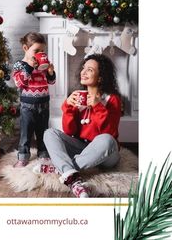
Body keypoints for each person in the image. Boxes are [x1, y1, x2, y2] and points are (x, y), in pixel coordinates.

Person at [39, 54, 121, 198]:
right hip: (82, 147)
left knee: (106, 139)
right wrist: (68, 107)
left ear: (100, 77)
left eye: (89, 70)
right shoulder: (78, 97)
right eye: (83, 68)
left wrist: (97, 106)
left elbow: (108, 132)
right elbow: (70, 131)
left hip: (107, 152)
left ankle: (60, 169)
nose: (83, 72)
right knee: (49, 133)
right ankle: (70, 175)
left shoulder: (111, 99)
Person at [12, 32, 56, 167]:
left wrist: (50, 73)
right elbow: (19, 83)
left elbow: (52, 82)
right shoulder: (20, 65)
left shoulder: (42, 65)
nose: (40, 53)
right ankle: (23, 156)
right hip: (28, 105)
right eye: (36, 51)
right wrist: (30, 67)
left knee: (43, 131)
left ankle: (43, 154)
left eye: (42, 51)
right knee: (26, 133)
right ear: (25, 48)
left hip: (44, 104)